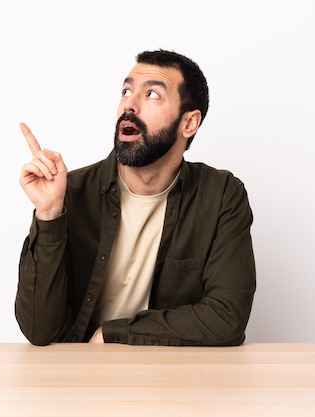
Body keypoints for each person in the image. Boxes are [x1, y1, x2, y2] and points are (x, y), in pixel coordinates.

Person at [15, 49, 256, 346]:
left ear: (189, 123)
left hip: (169, 377)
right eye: (126, 91)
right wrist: (49, 214)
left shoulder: (221, 196)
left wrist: (115, 334)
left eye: (152, 94)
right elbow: (39, 330)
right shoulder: (70, 192)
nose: (129, 104)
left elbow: (226, 318)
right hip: (77, 374)